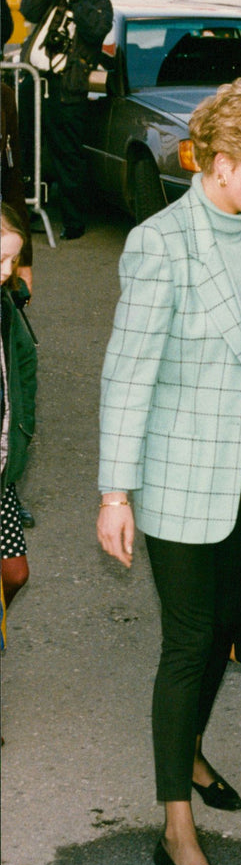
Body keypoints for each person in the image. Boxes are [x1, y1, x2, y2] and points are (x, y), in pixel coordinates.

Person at [97, 77, 241, 865]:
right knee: (189, 641)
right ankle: (176, 826)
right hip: (180, 474)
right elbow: (127, 375)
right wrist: (116, 492)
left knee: (228, 623)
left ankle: (188, 746)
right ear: (220, 165)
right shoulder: (161, 244)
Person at [20, 0, 113, 240]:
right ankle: (25, 214)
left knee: (67, 155)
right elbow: (28, 11)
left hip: (66, 90)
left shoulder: (98, 2)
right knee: (26, 151)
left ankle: (73, 222)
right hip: (33, 84)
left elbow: (96, 30)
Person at [1, 203, 37, 610]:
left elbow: (26, 366)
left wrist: (23, 426)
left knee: (15, 572)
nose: (8, 270)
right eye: (1, 258)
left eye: (13, 259)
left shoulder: (5, 308)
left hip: (1, 473)